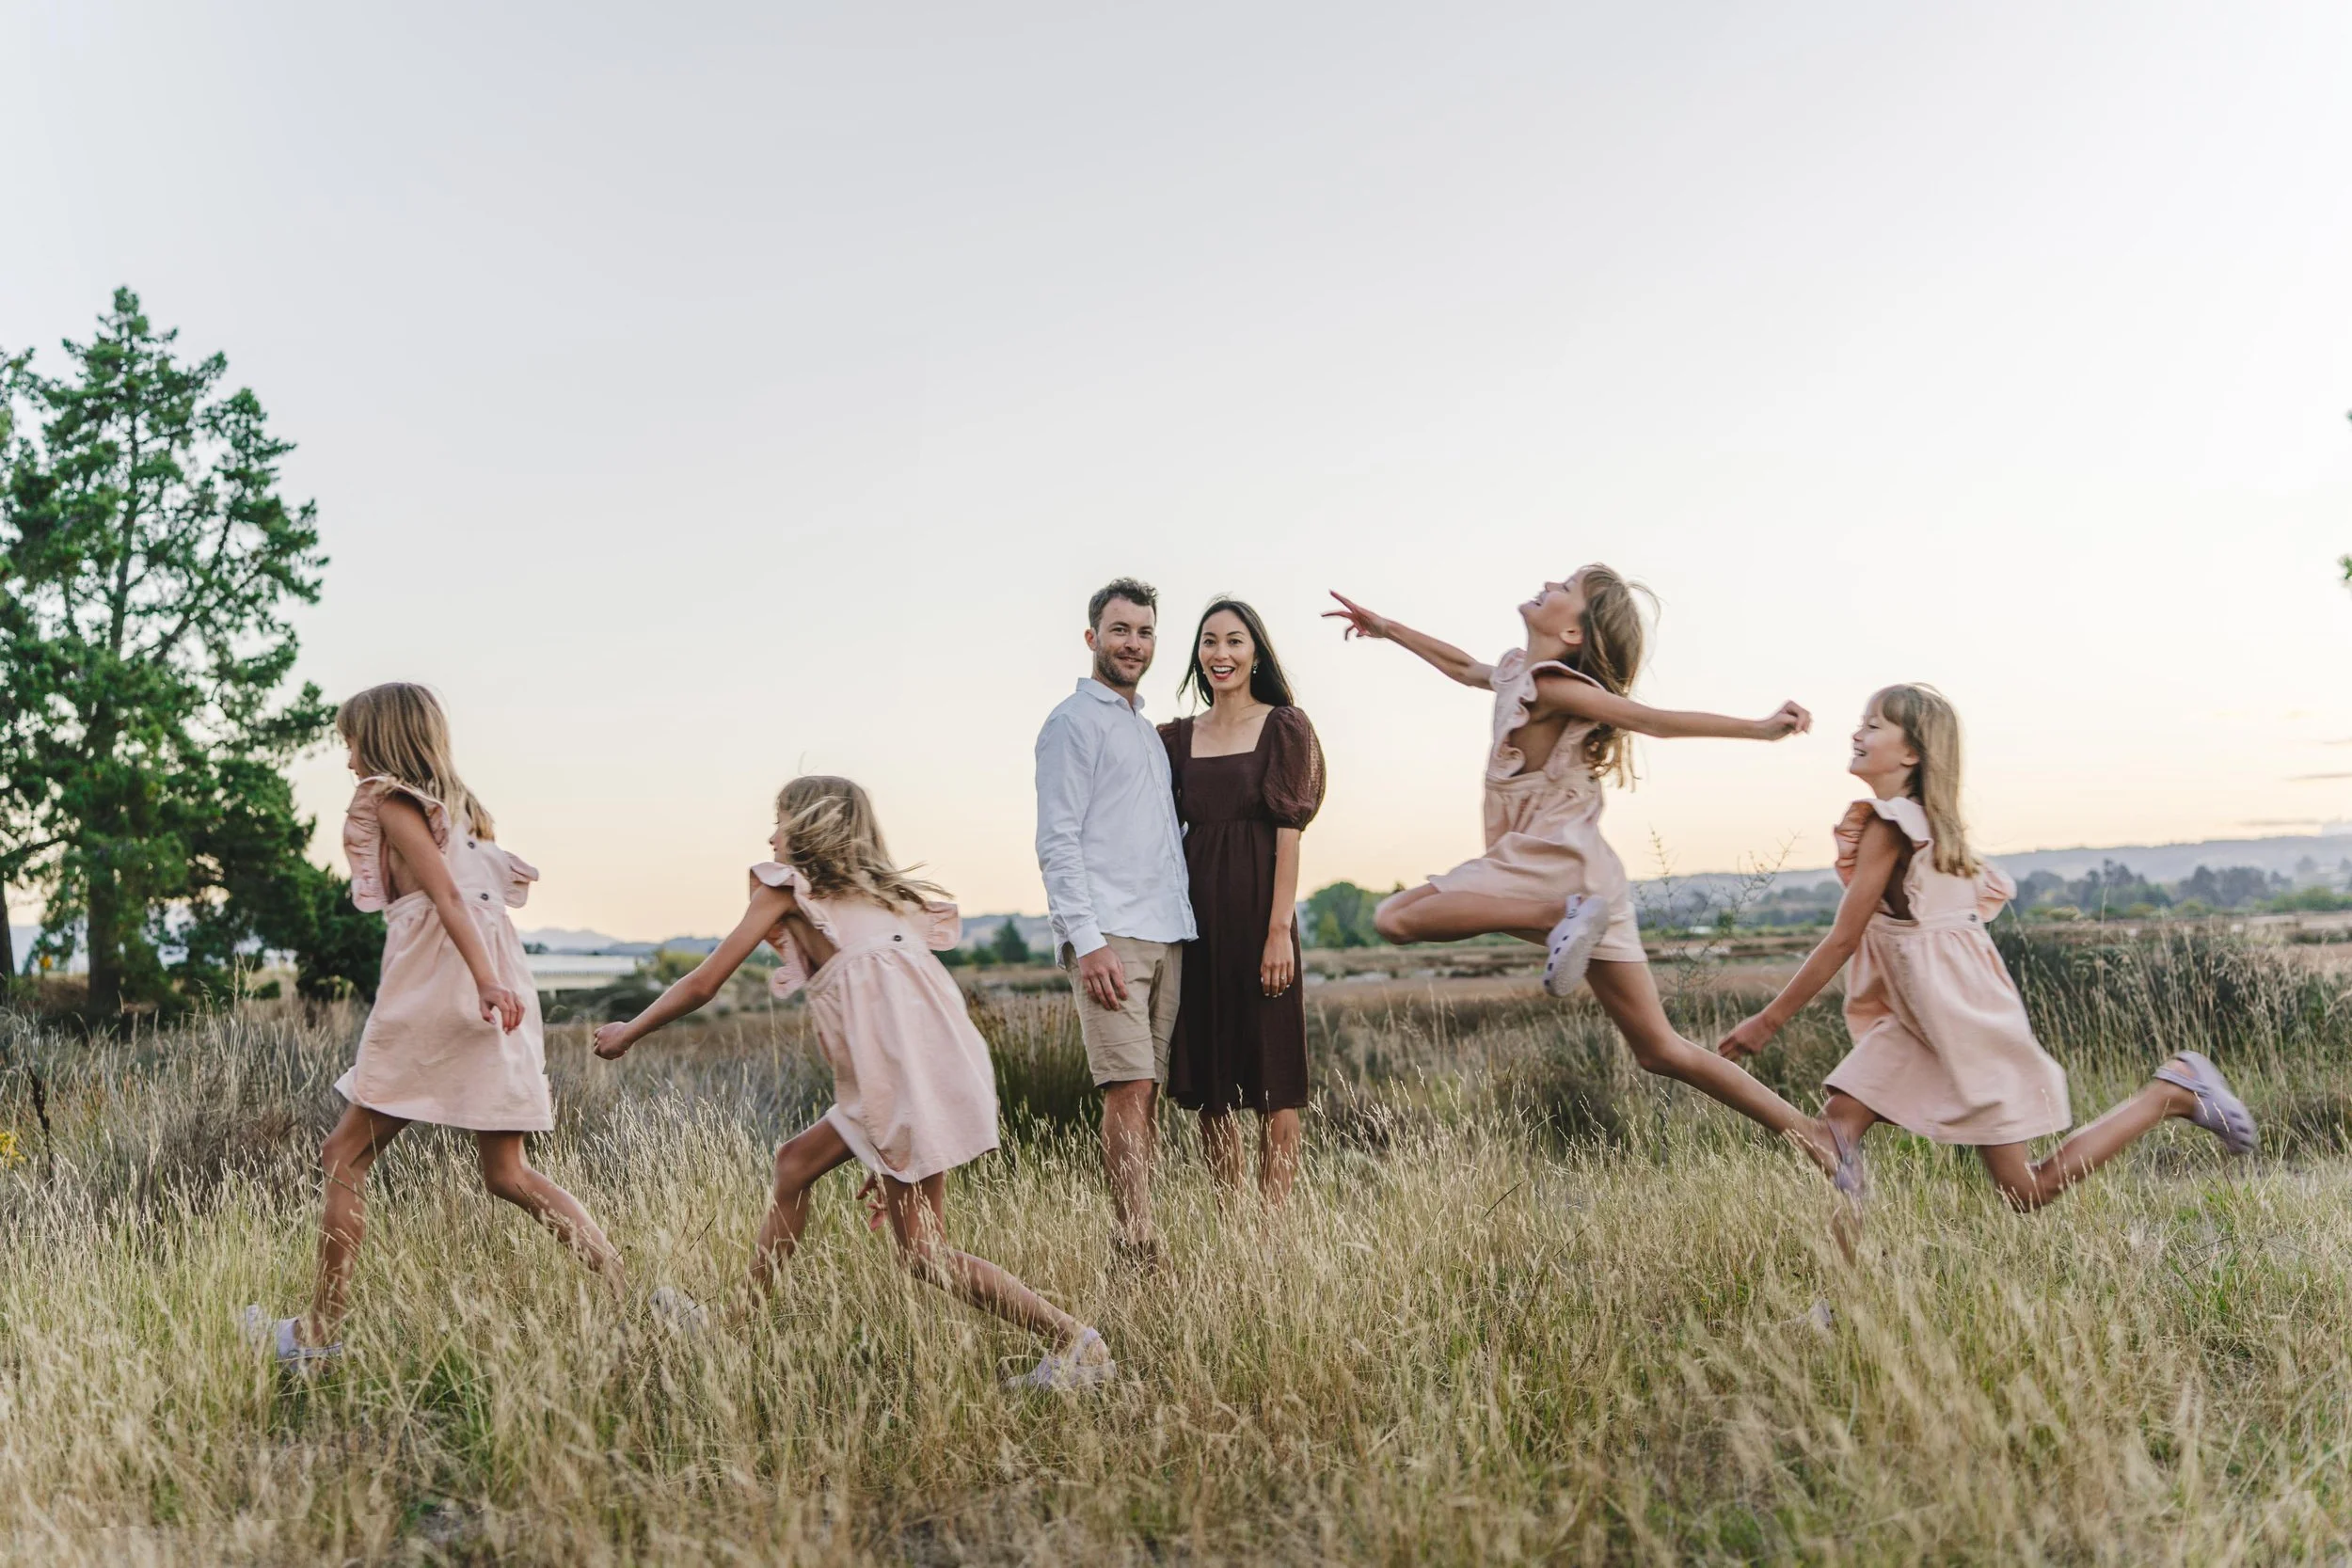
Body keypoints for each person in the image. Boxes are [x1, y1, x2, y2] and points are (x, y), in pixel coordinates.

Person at [593, 775, 1115, 1389]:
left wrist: (631, 1029)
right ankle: (732, 1331)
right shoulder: (883, 901)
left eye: (779, 821)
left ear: (809, 826)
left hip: (900, 1080)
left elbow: (705, 982)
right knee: (794, 1165)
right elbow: (894, 1016)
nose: (771, 836)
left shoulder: (785, 889)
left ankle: (1076, 1343)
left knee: (923, 1253)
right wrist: (877, 1128)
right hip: (927, 1069)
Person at [1326, 568, 1849, 1178]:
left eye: (1566, 587)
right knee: (1659, 1049)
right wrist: (1387, 629)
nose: (1550, 581)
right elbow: (1464, 667)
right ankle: (1816, 1136)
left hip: (1553, 866)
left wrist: (1759, 729)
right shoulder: (1518, 671)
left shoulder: (1554, 686)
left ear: (1573, 632)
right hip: (1593, 879)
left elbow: (1651, 719)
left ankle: (1560, 916)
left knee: (1395, 917)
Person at [1717, 683, 2256, 1209]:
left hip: (1959, 1025)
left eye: (1873, 725)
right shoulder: (1933, 829)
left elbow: (1842, 940)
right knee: (1836, 1136)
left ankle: (2172, 1093)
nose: (1857, 734)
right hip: (1920, 1022)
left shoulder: (1891, 825)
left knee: (2025, 1190)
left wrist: (1767, 1021)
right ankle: (1845, 1271)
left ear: (1911, 753)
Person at [244, 683, 623, 1366]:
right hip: (499, 995)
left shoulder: (392, 801)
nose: (348, 757)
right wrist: (492, 980)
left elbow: (446, 896)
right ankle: (625, 1290)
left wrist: (481, 978)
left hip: (444, 992)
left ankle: (316, 1336)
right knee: (508, 1173)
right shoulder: (467, 814)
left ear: (381, 740)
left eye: (351, 741)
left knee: (343, 1156)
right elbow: (464, 897)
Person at [1035, 578, 1197, 1266]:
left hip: (1166, 932)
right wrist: (1087, 940)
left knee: (1146, 1092)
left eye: (1145, 632)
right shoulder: (1072, 722)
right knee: (1126, 1086)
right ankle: (1135, 1245)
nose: (1134, 643)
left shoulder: (1145, 732)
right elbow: (1057, 839)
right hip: (1112, 937)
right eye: (1121, 630)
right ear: (1092, 637)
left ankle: (1142, 1232)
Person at [1159, 598, 1325, 1206]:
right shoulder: (1176, 738)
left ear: (1256, 652)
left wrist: (1279, 931)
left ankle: (1272, 1231)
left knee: (1275, 1079)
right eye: (1209, 641)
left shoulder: (1284, 726)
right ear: (1197, 654)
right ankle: (1234, 1226)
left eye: (1234, 641)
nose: (1220, 653)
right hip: (1196, 923)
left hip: (1261, 917)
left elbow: (1289, 835)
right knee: (1212, 1082)